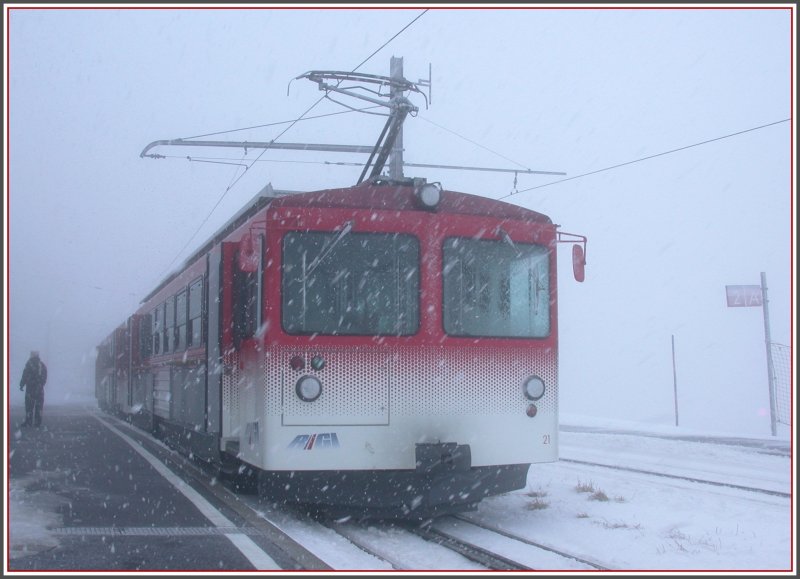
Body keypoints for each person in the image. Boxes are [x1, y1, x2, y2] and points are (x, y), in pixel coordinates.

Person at [19, 350, 47, 427]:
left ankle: (28, 422)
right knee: (39, 406)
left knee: (29, 406)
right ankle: (37, 423)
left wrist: (22, 384)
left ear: (32, 355)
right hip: (39, 389)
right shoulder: (41, 365)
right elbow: (44, 377)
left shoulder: (29, 364)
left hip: (30, 389)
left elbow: (25, 375)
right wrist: (41, 385)